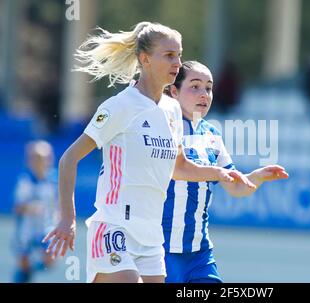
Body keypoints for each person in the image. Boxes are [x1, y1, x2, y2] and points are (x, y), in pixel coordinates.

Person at [42, 22, 255, 283]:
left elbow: (180, 167)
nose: (177, 62)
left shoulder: (172, 110)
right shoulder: (120, 105)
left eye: (179, 54)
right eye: (169, 55)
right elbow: (68, 159)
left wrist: (220, 173)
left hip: (152, 235)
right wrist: (67, 218)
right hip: (114, 226)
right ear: (145, 59)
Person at [163, 61, 289, 283]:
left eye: (209, 88)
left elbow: (235, 186)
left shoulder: (211, 134)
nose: (204, 94)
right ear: (174, 91)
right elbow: (176, 170)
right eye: (195, 86)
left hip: (199, 253)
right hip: (160, 250)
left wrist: (256, 177)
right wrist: (217, 173)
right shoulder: (162, 127)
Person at [12, 140, 58, 283]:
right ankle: (23, 275)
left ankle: (29, 271)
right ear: (29, 161)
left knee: (51, 258)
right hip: (26, 229)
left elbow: (59, 203)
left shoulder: (54, 180)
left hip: (46, 227)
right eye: (36, 158)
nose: (39, 162)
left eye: (43, 158)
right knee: (23, 263)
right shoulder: (25, 182)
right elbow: (17, 207)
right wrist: (31, 208)